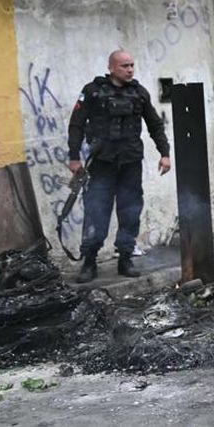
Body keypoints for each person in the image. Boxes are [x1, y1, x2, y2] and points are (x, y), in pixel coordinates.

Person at [67, 50, 170, 283]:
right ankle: (90, 261)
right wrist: (74, 157)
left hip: (130, 163)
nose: (130, 69)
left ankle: (125, 258)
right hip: (102, 164)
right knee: (96, 211)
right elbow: (77, 124)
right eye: (125, 65)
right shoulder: (92, 91)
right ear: (112, 67)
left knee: (130, 210)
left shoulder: (139, 93)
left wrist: (165, 153)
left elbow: (154, 125)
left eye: (132, 65)